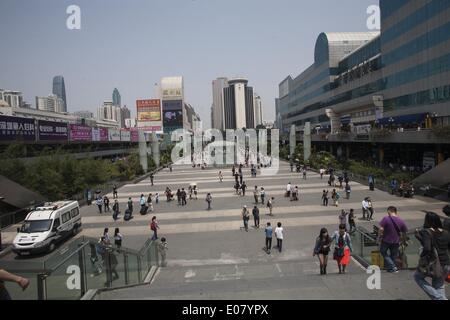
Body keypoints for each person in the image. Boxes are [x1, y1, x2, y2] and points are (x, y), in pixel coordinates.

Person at [414, 212, 450, 300]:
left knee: (417, 277)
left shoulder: (426, 232)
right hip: (446, 263)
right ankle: (440, 297)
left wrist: (418, 236)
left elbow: (427, 247)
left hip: (433, 264)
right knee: (439, 285)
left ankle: (440, 298)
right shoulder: (446, 233)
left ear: (427, 221)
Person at [378, 206, 408, 273]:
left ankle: (393, 267)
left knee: (383, 252)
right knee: (393, 255)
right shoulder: (401, 221)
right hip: (396, 241)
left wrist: (379, 237)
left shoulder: (386, 218)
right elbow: (405, 232)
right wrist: (404, 241)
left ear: (389, 211)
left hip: (386, 240)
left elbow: (381, 229)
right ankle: (391, 269)